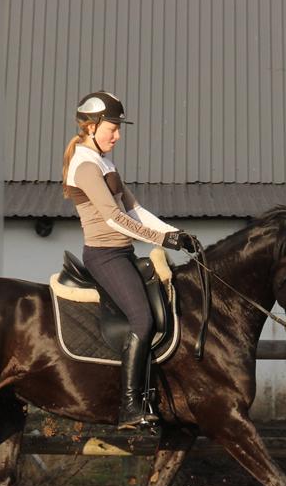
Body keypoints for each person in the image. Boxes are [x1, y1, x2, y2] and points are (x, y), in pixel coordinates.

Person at [62, 91, 201, 429]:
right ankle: (129, 406)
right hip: (104, 257)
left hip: (123, 253)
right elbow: (113, 217)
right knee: (142, 319)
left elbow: (135, 210)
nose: (118, 135)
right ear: (91, 126)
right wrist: (160, 239)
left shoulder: (104, 161)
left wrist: (175, 233)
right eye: (113, 127)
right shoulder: (84, 165)